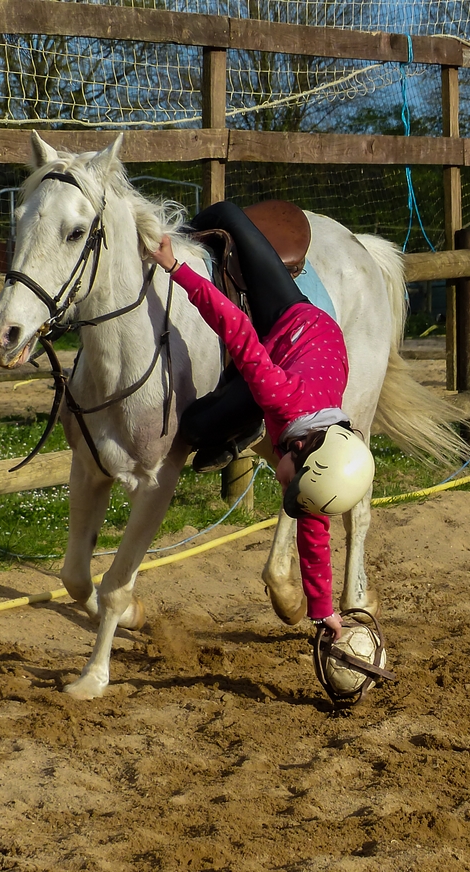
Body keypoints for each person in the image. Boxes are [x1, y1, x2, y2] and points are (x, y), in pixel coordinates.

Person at [152, 202, 374, 638]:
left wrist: (323, 610)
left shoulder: (318, 465)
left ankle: (240, 422)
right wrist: (176, 266)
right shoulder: (280, 394)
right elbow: (234, 325)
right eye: (291, 482)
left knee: (200, 427)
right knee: (230, 214)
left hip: (318, 360)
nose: (284, 485)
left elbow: (314, 533)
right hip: (294, 320)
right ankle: (243, 423)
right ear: (303, 449)